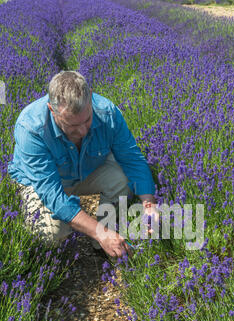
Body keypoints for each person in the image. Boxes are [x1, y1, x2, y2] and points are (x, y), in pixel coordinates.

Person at [8, 71, 159, 258]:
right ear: (51, 109)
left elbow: (132, 159)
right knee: (50, 234)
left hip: (85, 171)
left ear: (91, 99)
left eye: (87, 120)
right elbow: (51, 194)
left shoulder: (107, 113)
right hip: (44, 184)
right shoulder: (31, 128)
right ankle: (92, 234)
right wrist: (99, 232)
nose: (82, 131)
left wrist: (149, 205)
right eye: (71, 126)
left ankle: (102, 239)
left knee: (124, 180)